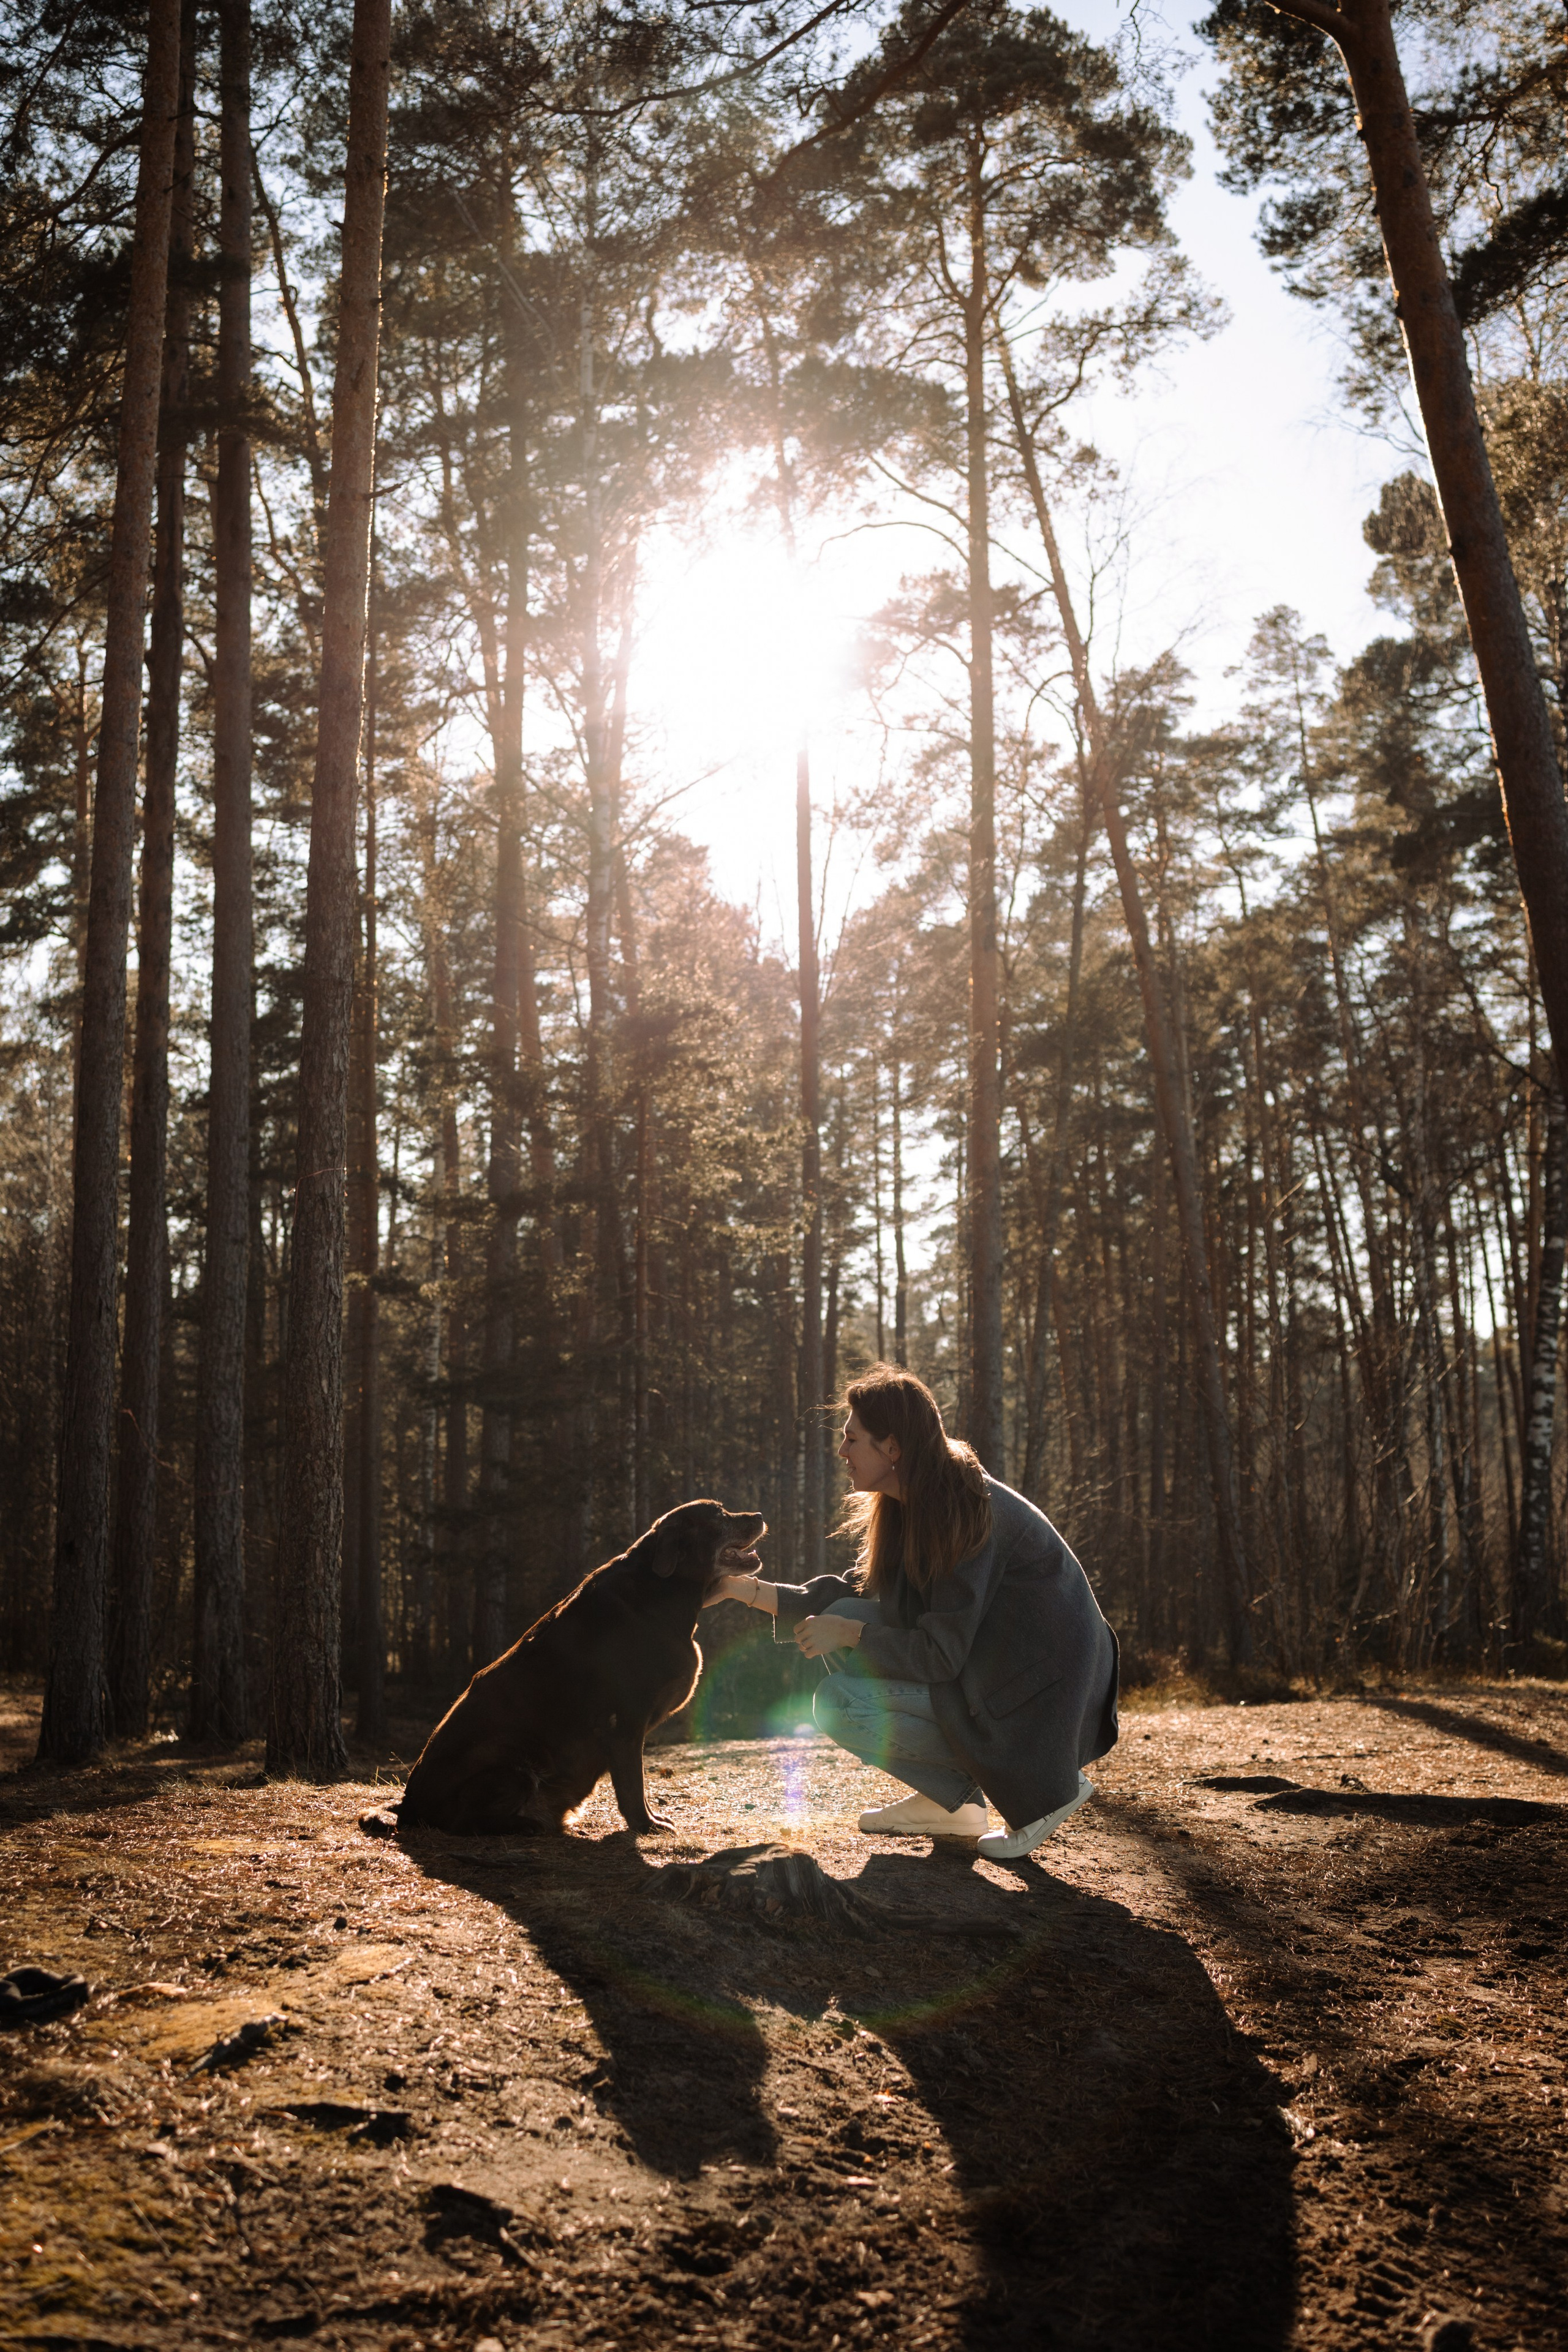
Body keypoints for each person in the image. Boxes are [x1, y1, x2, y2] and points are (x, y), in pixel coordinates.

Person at [706, 1363, 1119, 1860]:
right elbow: (857, 1599)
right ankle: (954, 1804)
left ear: (892, 1449)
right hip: (995, 1670)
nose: (842, 1452)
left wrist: (851, 1634)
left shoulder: (963, 1512)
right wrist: (739, 1589)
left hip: (1046, 1698)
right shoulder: (914, 1502)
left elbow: (940, 1655)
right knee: (842, 1614)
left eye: (852, 1440)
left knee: (839, 1701)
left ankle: (1051, 1787)